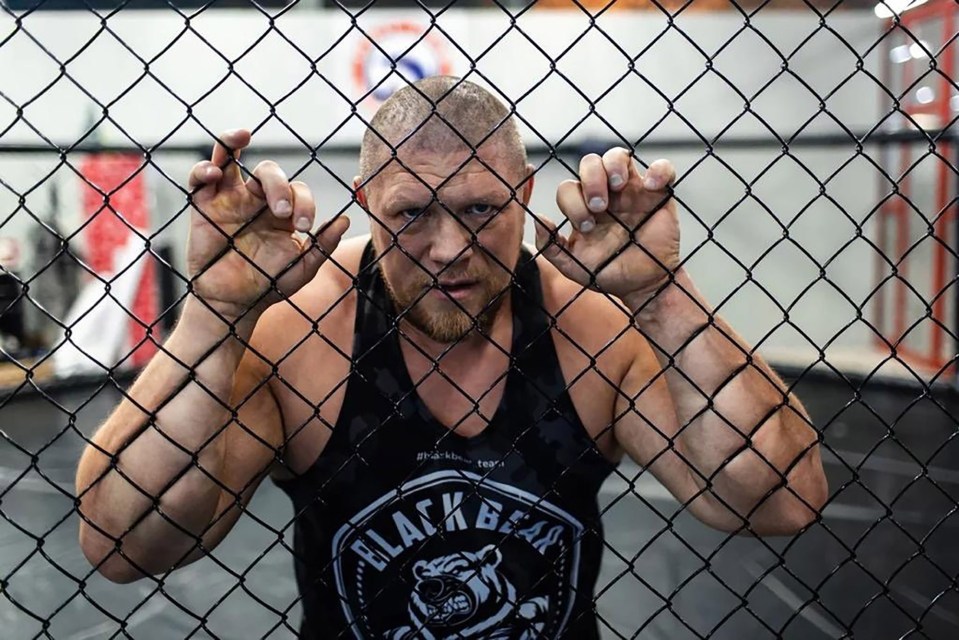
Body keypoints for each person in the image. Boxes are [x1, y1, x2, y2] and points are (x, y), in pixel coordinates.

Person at [75, 76, 827, 639]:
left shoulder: (589, 324)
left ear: (525, 194)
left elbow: (776, 498)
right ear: (368, 203)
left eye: (479, 209)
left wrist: (663, 294)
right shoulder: (298, 333)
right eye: (411, 214)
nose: (449, 250)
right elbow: (122, 542)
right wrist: (215, 313)